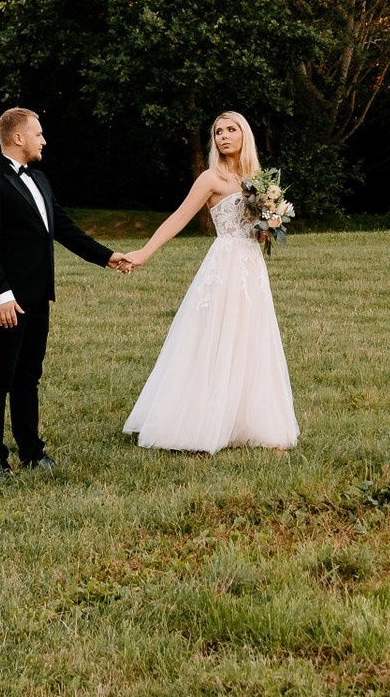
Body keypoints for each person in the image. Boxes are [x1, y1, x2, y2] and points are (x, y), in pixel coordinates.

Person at [114, 110, 298, 454]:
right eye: (218, 132)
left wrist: (267, 226)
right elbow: (179, 218)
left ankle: (253, 425)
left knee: (251, 338)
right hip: (224, 264)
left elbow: (258, 232)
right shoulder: (210, 179)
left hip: (252, 268)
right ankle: (197, 424)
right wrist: (145, 251)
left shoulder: (257, 181)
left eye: (231, 130)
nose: (224, 136)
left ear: (244, 135)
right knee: (213, 337)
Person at [0, 108, 119, 476]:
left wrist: (108, 257)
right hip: (7, 299)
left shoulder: (40, 179)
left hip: (37, 295)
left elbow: (63, 228)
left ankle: (32, 452)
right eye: (38, 134)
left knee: (28, 376)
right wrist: (0, 295)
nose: (44, 140)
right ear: (18, 138)